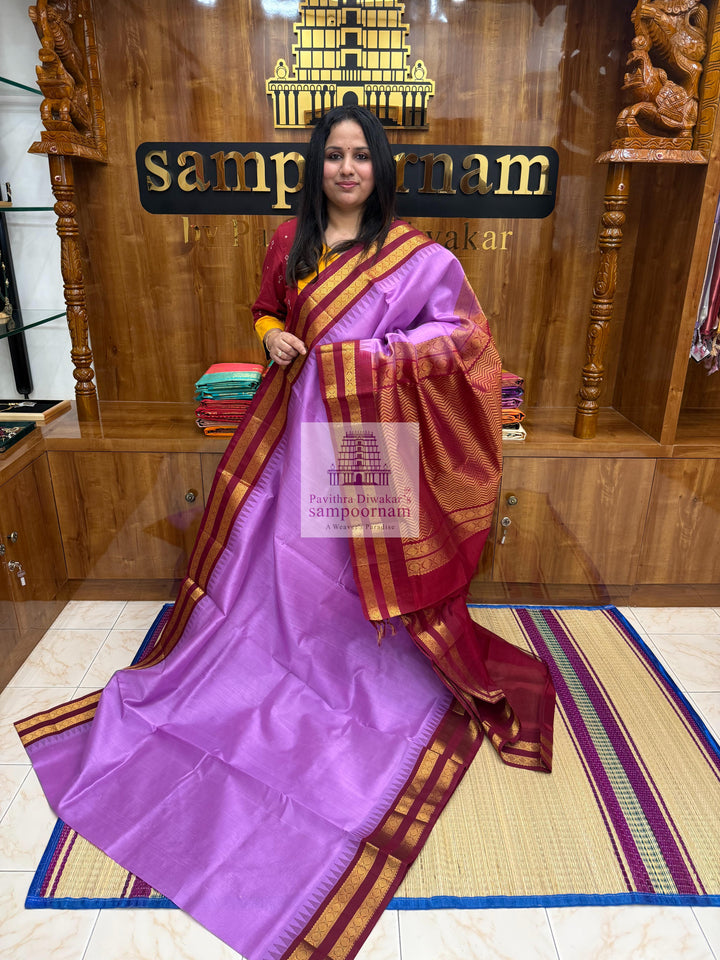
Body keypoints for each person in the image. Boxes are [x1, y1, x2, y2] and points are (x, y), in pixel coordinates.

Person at [15, 106, 555, 960]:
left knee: (353, 574)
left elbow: (463, 340)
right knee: (279, 567)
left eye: (359, 157)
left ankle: (347, 675)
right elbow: (264, 311)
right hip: (290, 431)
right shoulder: (290, 240)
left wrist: (367, 360)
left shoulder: (420, 257)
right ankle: (273, 663)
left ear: (379, 168)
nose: (346, 168)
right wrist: (272, 339)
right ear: (319, 166)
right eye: (333, 156)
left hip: (370, 436)